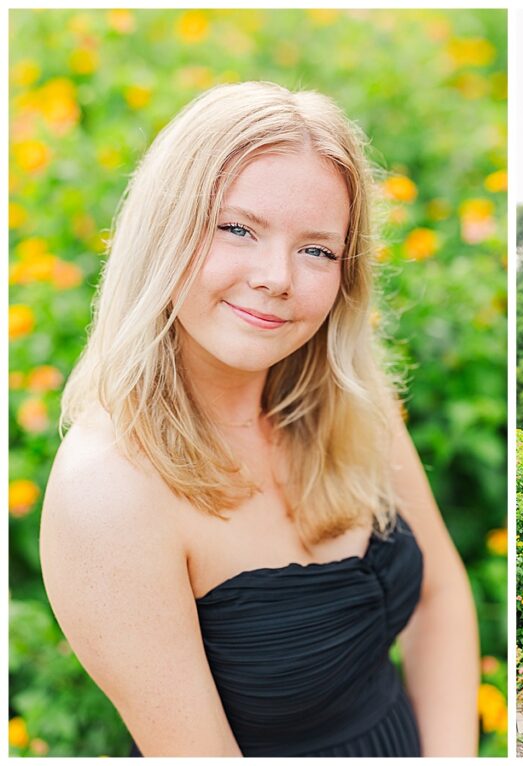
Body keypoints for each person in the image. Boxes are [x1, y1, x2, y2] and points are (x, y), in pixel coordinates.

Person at [39, 81, 479, 757]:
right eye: (237, 228)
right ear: (166, 230)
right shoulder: (110, 489)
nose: (277, 276)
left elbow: (438, 601)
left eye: (317, 250)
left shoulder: (354, 403)